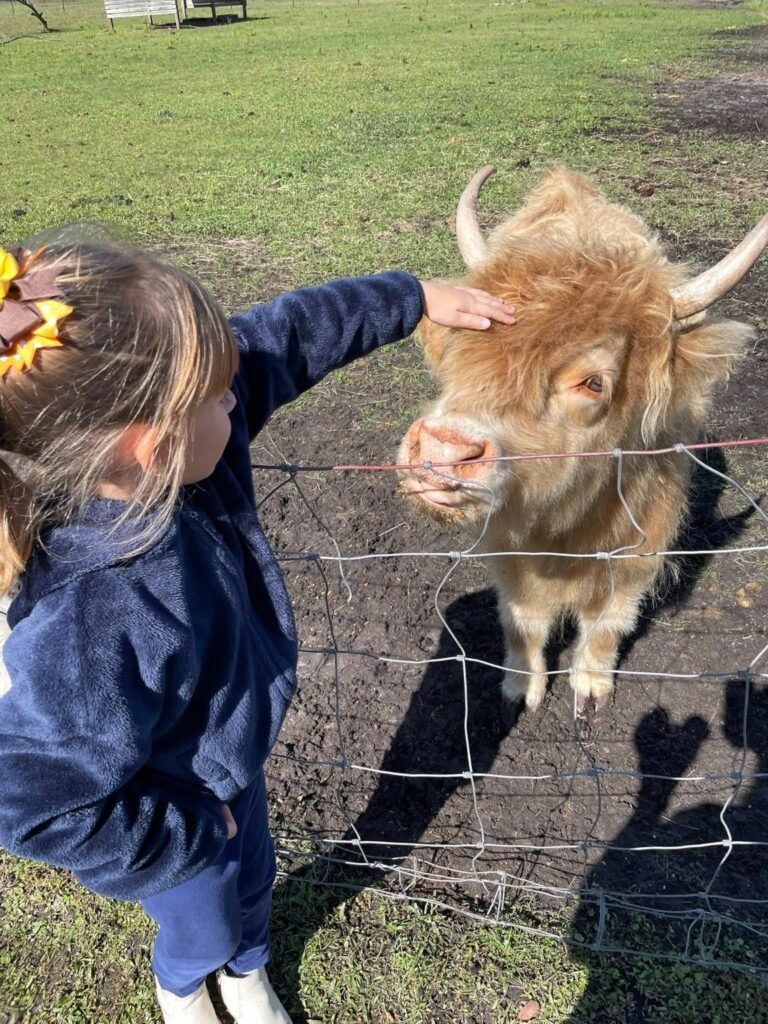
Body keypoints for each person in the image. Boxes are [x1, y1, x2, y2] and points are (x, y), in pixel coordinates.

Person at [0, 240, 515, 1024]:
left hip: (230, 759)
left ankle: (248, 968)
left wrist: (410, 296)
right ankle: (185, 982)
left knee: (253, 882)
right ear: (152, 439)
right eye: (216, 396)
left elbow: (284, 336)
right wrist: (185, 833)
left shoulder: (184, 459)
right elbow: (32, 803)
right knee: (202, 910)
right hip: (175, 801)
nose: (237, 400)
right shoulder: (89, 609)